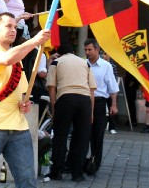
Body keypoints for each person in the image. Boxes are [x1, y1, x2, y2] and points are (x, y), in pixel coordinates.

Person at [0, 12, 51, 188]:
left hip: (19, 128)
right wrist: (34, 41)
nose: (14, 30)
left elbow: (19, 92)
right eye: (8, 26)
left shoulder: (16, 57)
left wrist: (25, 103)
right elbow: (6, 59)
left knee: (27, 181)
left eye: (15, 26)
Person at [46, 43, 96, 182]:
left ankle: (57, 171)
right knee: (81, 138)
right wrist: (91, 112)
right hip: (85, 101)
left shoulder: (56, 62)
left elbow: (52, 87)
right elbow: (92, 89)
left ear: (59, 53)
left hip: (65, 99)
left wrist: (54, 107)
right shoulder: (84, 63)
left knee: (60, 137)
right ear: (73, 52)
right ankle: (77, 173)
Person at [84, 39, 118, 173]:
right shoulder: (83, 64)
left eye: (90, 50)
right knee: (83, 133)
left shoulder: (106, 66)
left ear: (97, 49)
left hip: (99, 102)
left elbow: (112, 87)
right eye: (85, 50)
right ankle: (82, 161)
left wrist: (114, 104)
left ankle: (95, 162)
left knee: (97, 134)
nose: (87, 53)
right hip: (84, 102)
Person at [102, 50, 120, 134]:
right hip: (101, 91)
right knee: (100, 109)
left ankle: (112, 127)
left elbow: (115, 79)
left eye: (107, 54)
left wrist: (113, 90)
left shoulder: (112, 66)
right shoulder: (100, 64)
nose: (106, 55)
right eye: (104, 54)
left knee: (111, 108)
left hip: (109, 91)